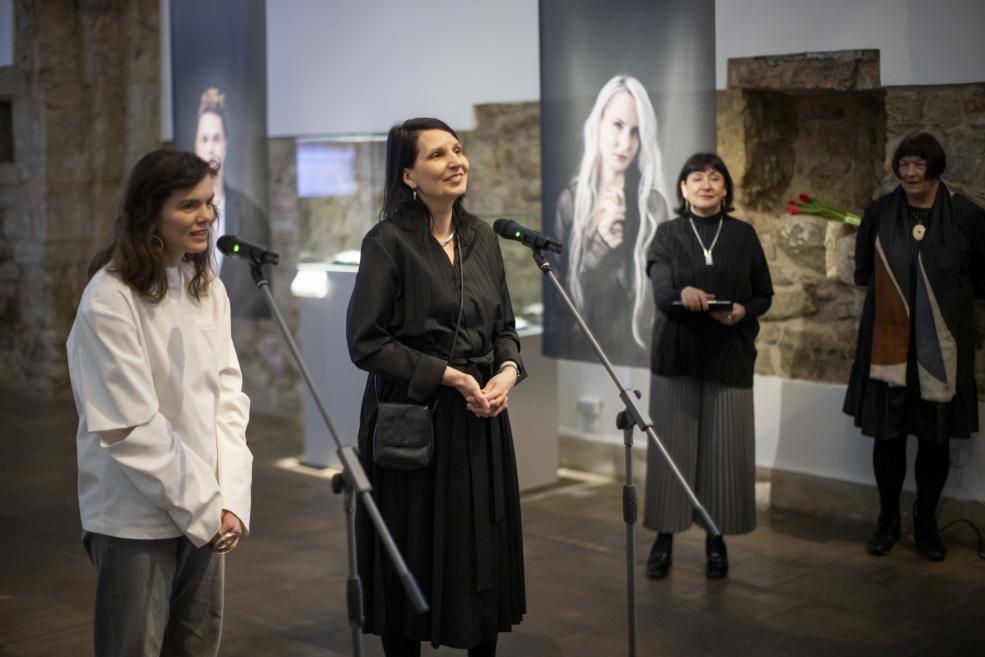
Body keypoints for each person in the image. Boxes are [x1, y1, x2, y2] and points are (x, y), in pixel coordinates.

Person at [346, 118, 525, 656]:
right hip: (411, 421)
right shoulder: (387, 242)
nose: (455, 161)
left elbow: (505, 330)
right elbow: (366, 343)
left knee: (480, 554)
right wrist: (448, 375)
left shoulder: (483, 238)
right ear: (408, 175)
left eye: (458, 149)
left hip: (478, 422)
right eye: (437, 155)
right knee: (411, 553)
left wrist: (507, 374)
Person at [66, 149, 253, 657]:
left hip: (208, 508)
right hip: (135, 514)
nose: (207, 216)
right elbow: (129, 426)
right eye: (189, 205)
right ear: (150, 212)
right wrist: (206, 506)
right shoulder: (110, 296)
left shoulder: (205, 285)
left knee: (195, 648)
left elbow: (228, 397)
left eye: (209, 203)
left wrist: (231, 495)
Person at [844, 132, 985, 562]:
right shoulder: (879, 212)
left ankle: (925, 525)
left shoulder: (965, 214)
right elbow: (863, 272)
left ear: (934, 167)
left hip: (939, 349)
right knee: (887, 439)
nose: (909, 172)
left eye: (918, 165)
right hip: (888, 346)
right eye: (903, 164)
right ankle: (888, 521)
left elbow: (981, 279)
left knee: (934, 440)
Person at [643, 153, 773, 579]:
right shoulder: (667, 234)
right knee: (671, 455)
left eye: (714, 178)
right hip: (676, 358)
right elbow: (662, 294)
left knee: (724, 455)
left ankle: (716, 541)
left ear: (725, 189)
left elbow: (763, 295)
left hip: (730, 358)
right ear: (683, 188)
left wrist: (741, 310)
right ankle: (664, 538)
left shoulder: (743, 235)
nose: (705, 184)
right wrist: (685, 292)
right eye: (696, 177)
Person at [546, 74, 670, 365]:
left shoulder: (652, 206)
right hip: (581, 356)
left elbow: (660, 294)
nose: (625, 143)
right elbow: (559, 299)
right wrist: (600, 244)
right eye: (618, 125)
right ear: (598, 122)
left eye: (636, 131)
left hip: (640, 357)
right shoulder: (570, 203)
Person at [194, 87, 271, 318]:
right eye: (204, 139)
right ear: (196, 144)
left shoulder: (251, 214)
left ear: (226, 144)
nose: (210, 148)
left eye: (216, 139)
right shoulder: (181, 219)